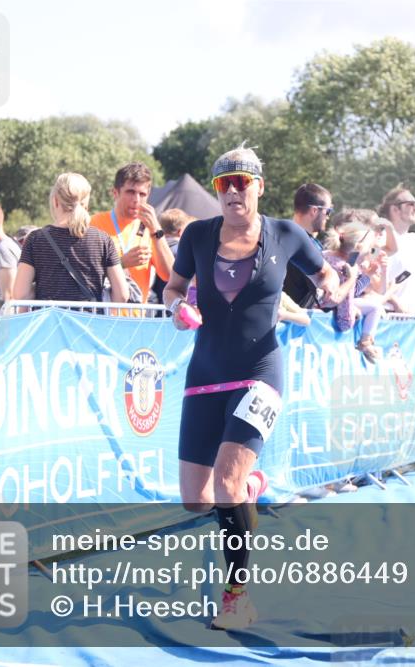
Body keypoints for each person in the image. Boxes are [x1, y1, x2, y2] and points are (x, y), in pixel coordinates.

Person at [162, 146, 352, 631]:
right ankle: (248, 490)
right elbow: (172, 286)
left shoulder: (285, 234)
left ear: (259, 187)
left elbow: (327, 279)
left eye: (241, 182)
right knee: (197, 499)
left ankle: (236, 598)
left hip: (260, 372)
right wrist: (177, 306)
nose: (232, 191)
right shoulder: (199, 236)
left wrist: (335, 289)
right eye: (223, 183)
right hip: (205, 373)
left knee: (225, 482)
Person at [13, 173, 128, 307]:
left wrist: (40, 291)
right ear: (86, 204)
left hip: (49, 323)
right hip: (88, 324)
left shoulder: (35, 239)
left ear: (55, 201)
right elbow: (122, 295)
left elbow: (21, 294)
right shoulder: (103, 240)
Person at [90, 162, 174, 305]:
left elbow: (170, 275)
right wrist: (121, 263)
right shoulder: (93, 223)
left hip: (136, 318)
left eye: (142, 194)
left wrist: (156, 230)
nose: (136, 199)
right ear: (115, 193)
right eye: (130, 192)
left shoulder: (151, 229)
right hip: (103, 315)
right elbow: (84, 273)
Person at [323, 221, 388, 363]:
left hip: (325, 306)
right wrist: (354, 311)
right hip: (324, 314)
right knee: (375, 307)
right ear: (359, 247)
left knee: (375, 306)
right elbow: (344, 322)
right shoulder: (345, 268)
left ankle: (366, 341)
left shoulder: (326, 255)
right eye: (370, 248)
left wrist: (367, 276)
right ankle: (366, 342)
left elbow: (352, 292)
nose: (372, 251)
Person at [377, 184, 415, 314]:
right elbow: (371, 279)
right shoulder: (380, 239)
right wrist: (396, 303)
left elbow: (406, 282)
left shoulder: (413, 241)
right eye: (411, 204)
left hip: (412, 319)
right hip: (387, 317)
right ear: (395, 209)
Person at [283, 183, 333, 308]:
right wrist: (353, 277)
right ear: (314, 211)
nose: (328, 217)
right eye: (328, 211)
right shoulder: (309, 247)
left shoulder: (277, 235)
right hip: (293, 323)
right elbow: (328, 302)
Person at [150, 208, 195, 306]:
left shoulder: (152, 248)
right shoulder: (184, 251)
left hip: (156, 306)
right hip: (175, 307)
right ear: (181, 231)